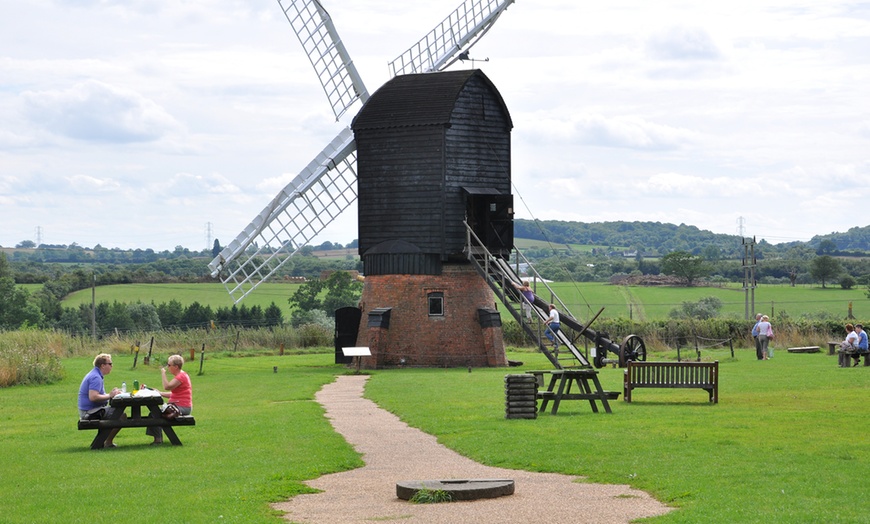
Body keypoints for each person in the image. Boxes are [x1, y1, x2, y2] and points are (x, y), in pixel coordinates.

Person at [77, 353, 122, 448]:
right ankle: (107, 442)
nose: (111, 366)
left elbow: (98, 395)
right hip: (89, 413)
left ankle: (104, 441)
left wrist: (112, 394)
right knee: (121, 415)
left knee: (118, 413)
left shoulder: (95, 374)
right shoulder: (95, 377)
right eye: (110, 364)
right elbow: (93, 397)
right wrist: (110, 395)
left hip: (92, 410)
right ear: (102, 365)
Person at [147, 354, 193, 445]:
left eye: (169, 365)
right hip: (180, 405)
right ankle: (158, 438)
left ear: (176, 367)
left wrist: (163, 374)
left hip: (182, 407)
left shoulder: (181, 377)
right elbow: (175, 394)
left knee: (154, 414)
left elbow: (167, 387)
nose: (168, 367)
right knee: (154, 413)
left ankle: (158, 440)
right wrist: (160, 393)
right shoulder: (181, 375)